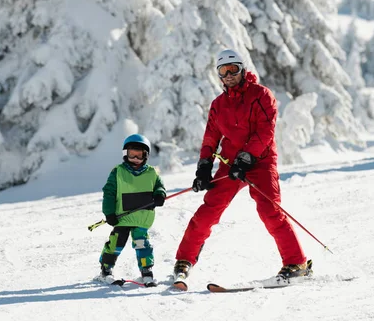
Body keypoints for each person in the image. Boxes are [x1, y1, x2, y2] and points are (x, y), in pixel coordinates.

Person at [172, 49, 310, 287]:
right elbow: (210, 138)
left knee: (270, 210)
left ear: (242, 69)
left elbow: (265, 131)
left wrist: (246, 158)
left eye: (233, 69)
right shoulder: (218, 104)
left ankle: (296, 263)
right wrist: (204, 167)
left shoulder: (261, 95)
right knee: (208, 211)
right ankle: (184, 261)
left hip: (260, 161)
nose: (228, 75)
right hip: (229, 164)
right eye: (223, 71)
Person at [98, 134, 167, 287]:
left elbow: (159, 187)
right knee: (116, 243)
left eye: (139, 155)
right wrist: (109, 213)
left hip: (142, 217)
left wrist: (160, 195)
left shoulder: (151, 173)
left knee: (143, 244)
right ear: (125, 154)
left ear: (146, 155)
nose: (135, 158)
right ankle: (106, 269)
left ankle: (146, 272)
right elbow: (108, 193)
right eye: (131, 154)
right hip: (122, 217)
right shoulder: (118, 172)